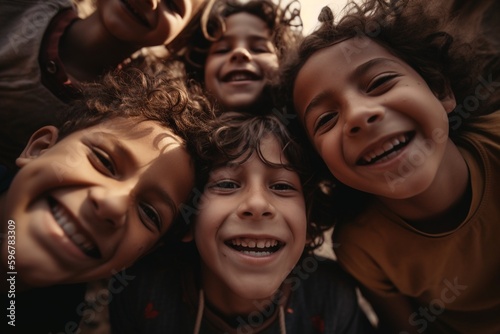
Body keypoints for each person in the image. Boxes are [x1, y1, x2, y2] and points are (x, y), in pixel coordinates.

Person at [281, 0, 500, 333]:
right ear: (321, 163)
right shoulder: (360, 246)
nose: (357, 115)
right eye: (325, 119)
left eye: (380, 82)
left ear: (439, 88)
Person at [108, 111, 375, 333]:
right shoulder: (140, 287)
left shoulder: (331, 297)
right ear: (188, 219)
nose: (257, 205)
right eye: (226, 184)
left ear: (308, 222)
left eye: (282, 186)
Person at [1, 63, 213, 333]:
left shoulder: (54, 317)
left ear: (144, 253)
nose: (114, 205)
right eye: (103, 162)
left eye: (150, 214)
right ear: (39, 148)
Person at [0, 0, 207, 175]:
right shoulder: (21, 6)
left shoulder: (134, 109)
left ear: (179, 40)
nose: (151, 1)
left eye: (172, 4)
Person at [169, 0, 303, 113]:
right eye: (222, 50)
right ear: (200, 71)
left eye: (259, 49)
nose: (240, 52)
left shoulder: (305, 133)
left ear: (286, 64)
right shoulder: (171, 132)